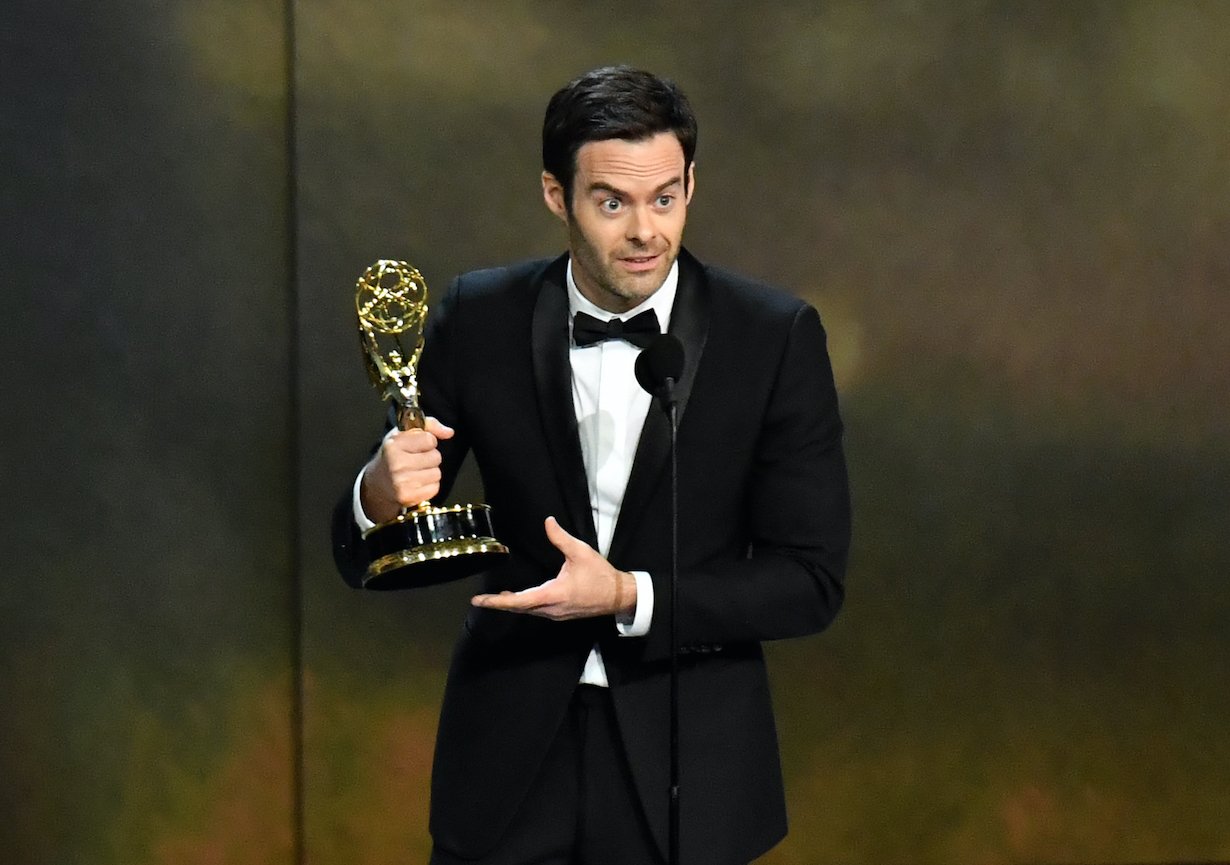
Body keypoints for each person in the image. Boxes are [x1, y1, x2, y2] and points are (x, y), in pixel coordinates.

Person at [332, 65, 851, 865]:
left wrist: (629, 596)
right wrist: (378, 494)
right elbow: (367, 552)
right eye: (612, 202)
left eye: (665, 198)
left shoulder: (773, 337)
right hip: (506, 762)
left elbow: (810, 581)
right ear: (555, 193)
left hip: (688, 769)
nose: (646, 230)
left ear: (689, 186)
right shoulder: (480, 316)